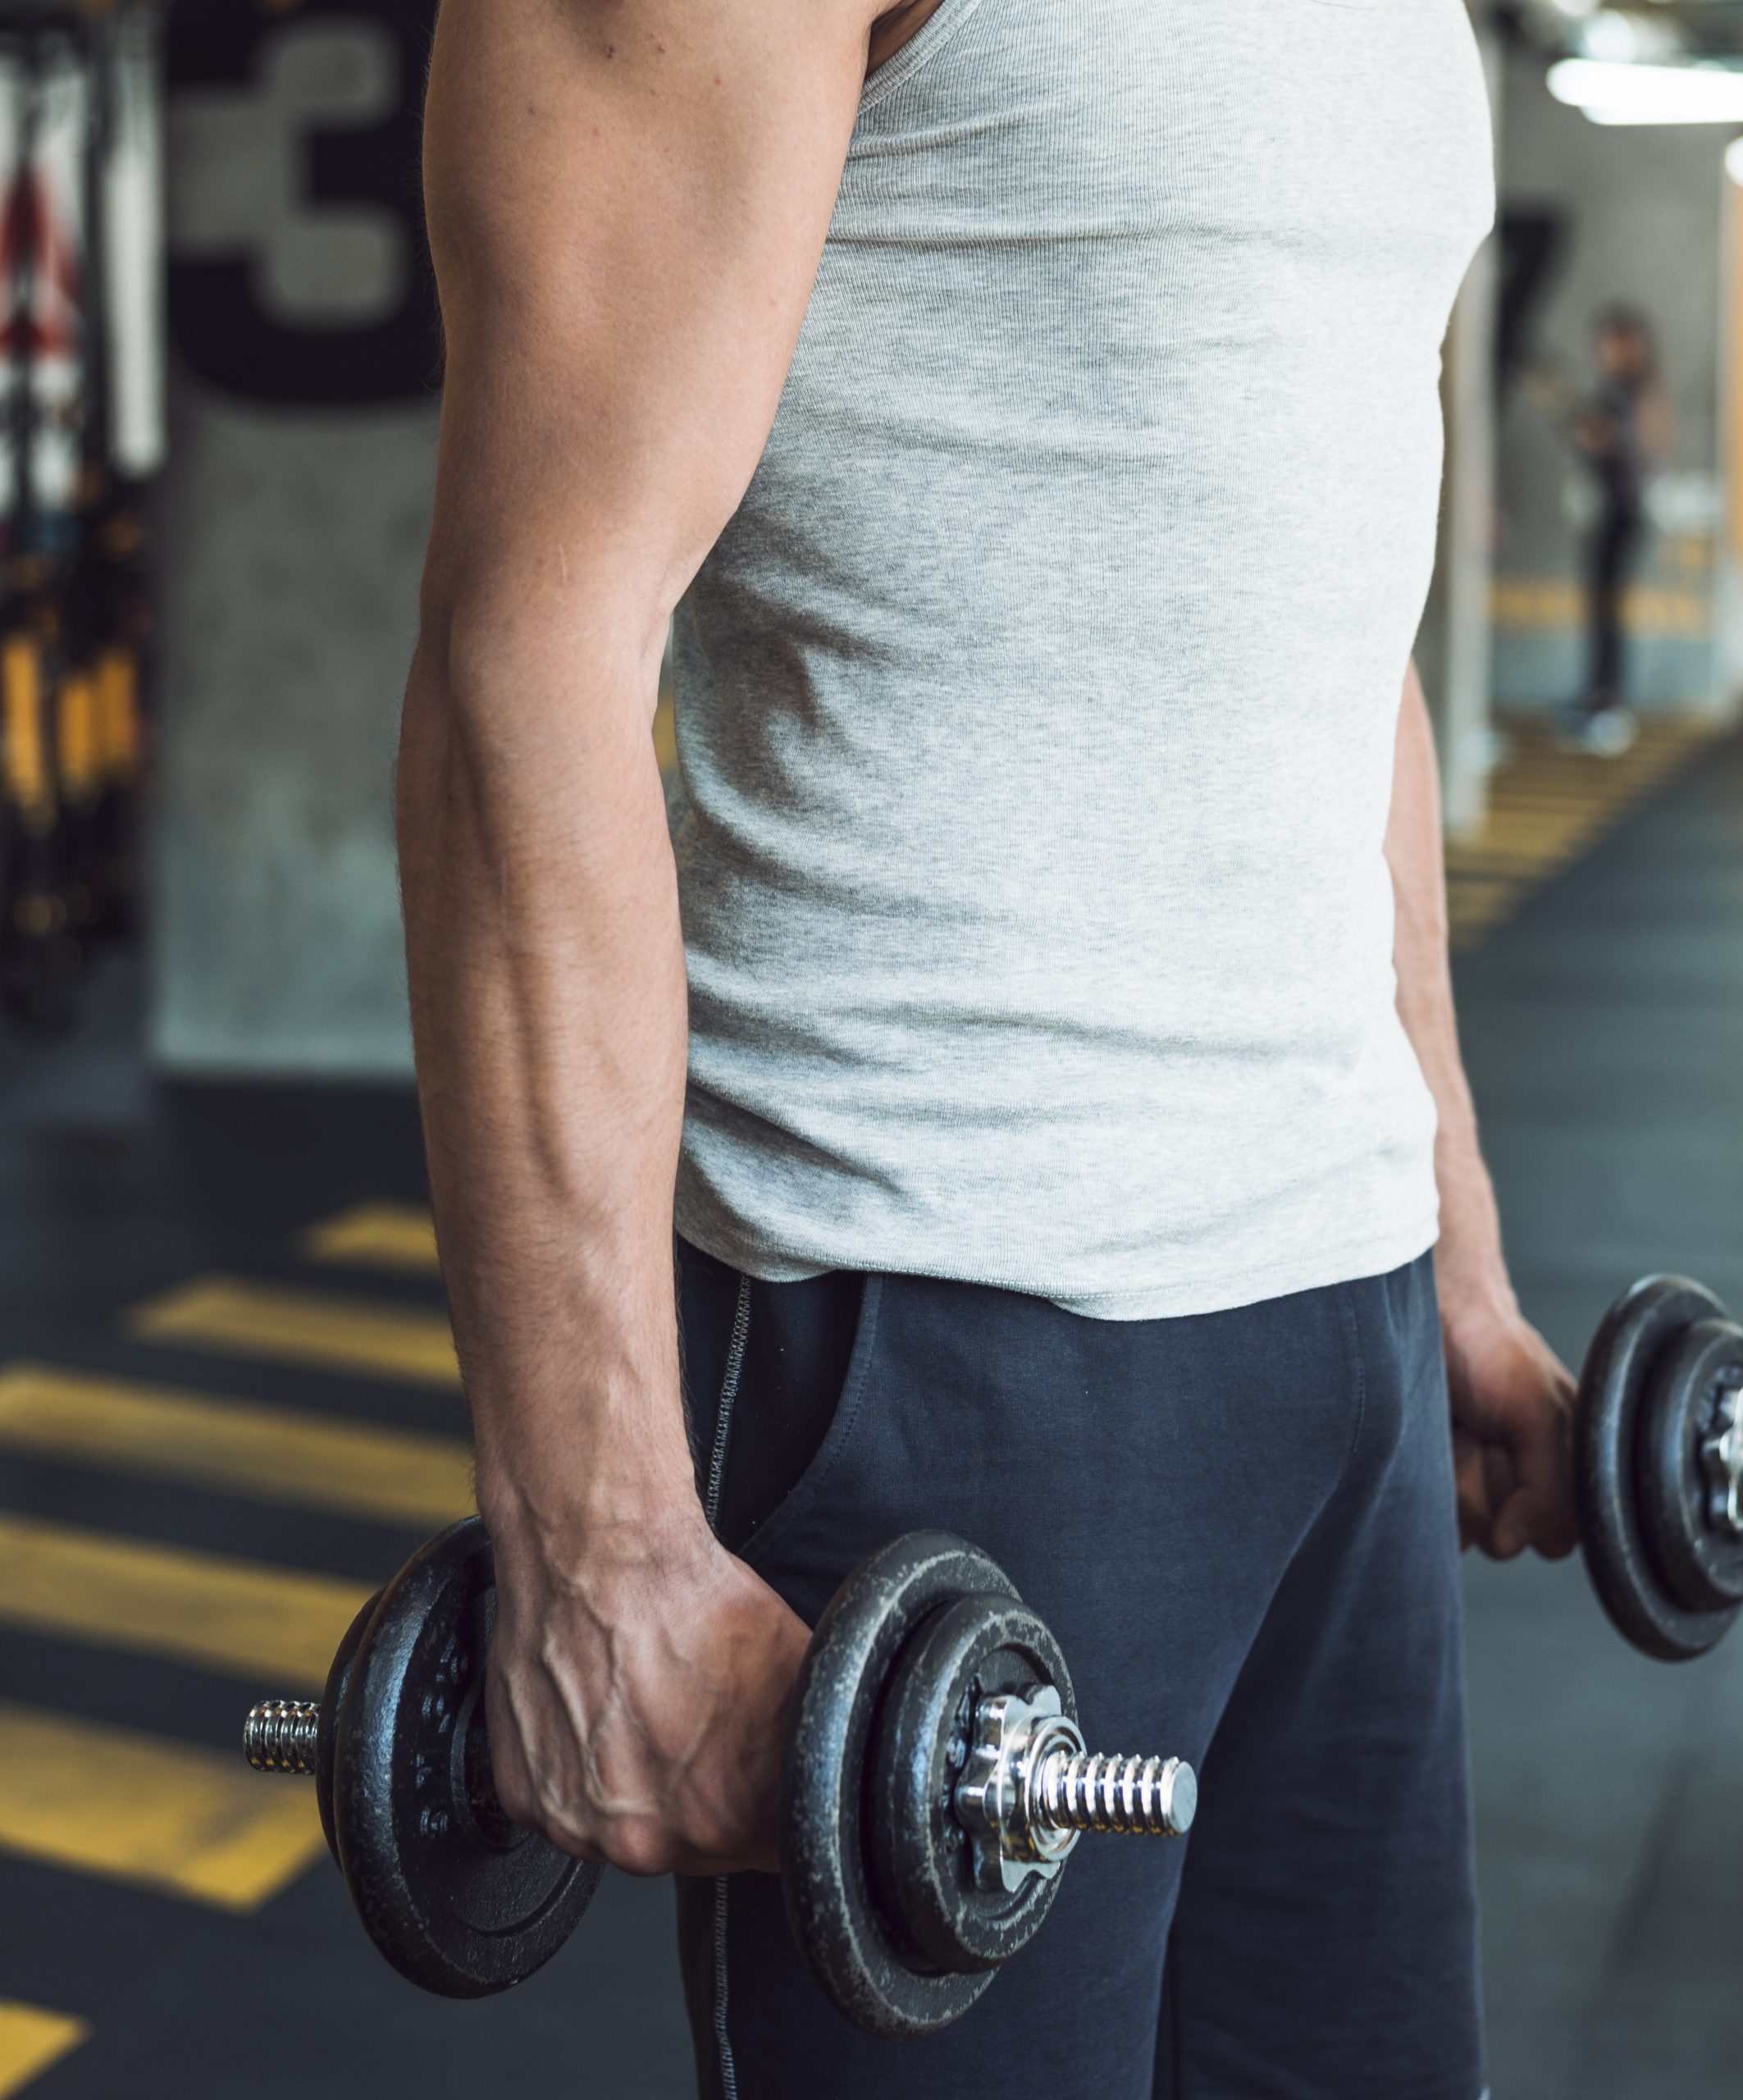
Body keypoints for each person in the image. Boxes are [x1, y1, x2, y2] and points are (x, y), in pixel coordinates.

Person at [394, 2, 1579, 2095]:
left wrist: (1448, 1230)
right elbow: (532, 644)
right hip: (937, 1330)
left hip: (1346, 1329)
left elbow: (1320, 617)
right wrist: (594, 1542)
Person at [1561, 304, 1671, 755]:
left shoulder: (1635, 391)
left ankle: (1607, 702)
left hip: (1624, 513)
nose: (1602, 351)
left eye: (1611, 342)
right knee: (1601, 610)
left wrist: (1598, 437)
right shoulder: (1623, 390)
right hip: (1616, 511)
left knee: (1607, 611)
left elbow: (1640, 451)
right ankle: (1599, 696)